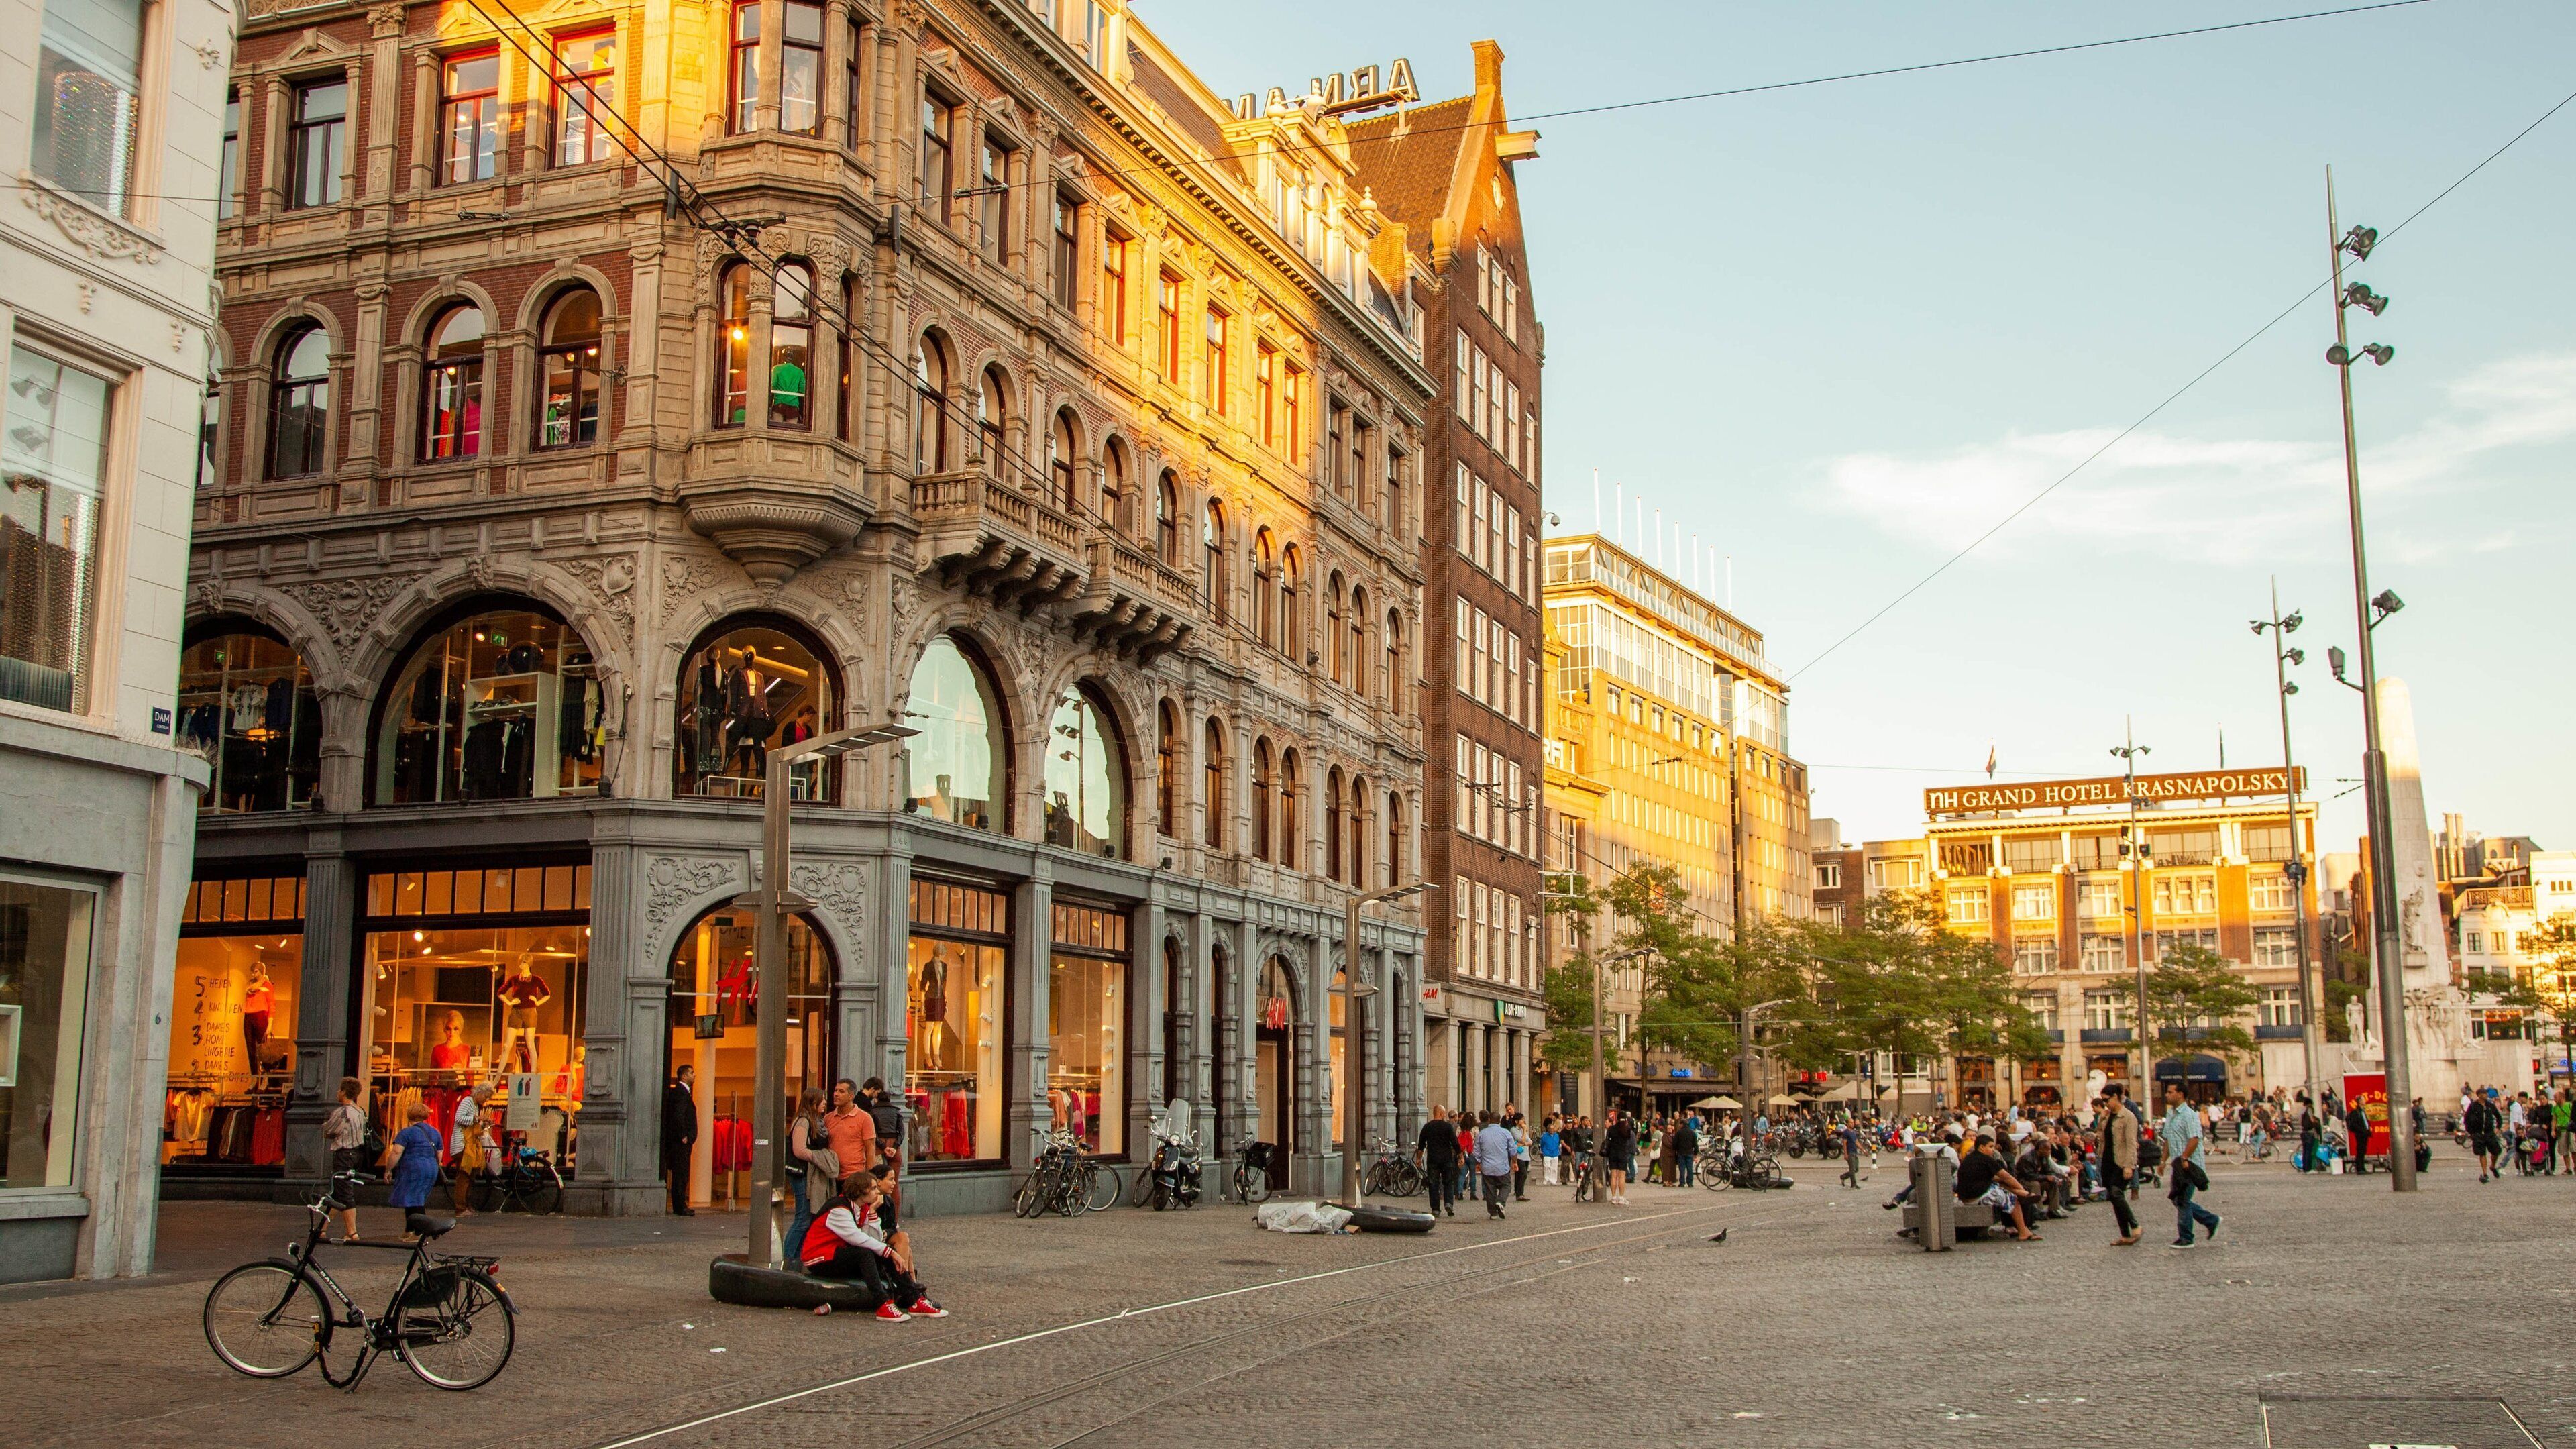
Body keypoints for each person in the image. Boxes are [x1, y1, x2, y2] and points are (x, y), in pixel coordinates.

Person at [800, 1171, 945, 1320]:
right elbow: (857, 1239)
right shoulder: (839, 1209)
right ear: (861, 1191)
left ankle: (914, 1299)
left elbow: (875, 1239)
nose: (877, 1192)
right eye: (874, 1188)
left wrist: (873, 1213)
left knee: (879, 1252)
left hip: (837, 1252)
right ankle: (883, 1304)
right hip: (819, 1258)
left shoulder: (861, 1208)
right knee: (865, 1253)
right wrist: (890, 1252)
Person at [2162, 1083, 2220, 1248]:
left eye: (2170, 1092)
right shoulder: (2171, 1113)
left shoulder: (2189, 1115)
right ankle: (2211, 1220)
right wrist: (2162, 1160)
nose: (2167, 1095)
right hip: (2178, 1164)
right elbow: (2168, 1139)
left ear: (2180, 1094)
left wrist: (2185, 1158)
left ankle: (2187, 1238)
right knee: (2179, 1199)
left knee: (2182, 1199)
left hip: (2189, 1164)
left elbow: (2194, 1138)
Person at [1955, 1134, 2039, 1242]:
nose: (1993, 1150)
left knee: (2001, 1186)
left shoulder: (1969, 1159)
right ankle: (2023, 1231)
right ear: (1982, 1147)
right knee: (2013, 1199)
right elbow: (2007, 1177)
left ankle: (2023, 1195)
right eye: (1991, 1147)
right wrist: (2020, 1188)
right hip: (1976, 1197)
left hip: (1967, 1196)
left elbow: (1991, 1178)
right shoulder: (1986, 1159)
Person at [384, 1099, 447, 1227]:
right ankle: (410, 1230)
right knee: (418, 1198)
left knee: (412, 1199)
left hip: (412, 1168)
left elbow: (396, 1152)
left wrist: (389, 1169)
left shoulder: (406, 1132)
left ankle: (417, 1230)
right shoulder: (435, 1132)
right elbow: (440, 1154)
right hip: (431, 1168)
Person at [323, 1077, 370, 1244]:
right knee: (338, 1192)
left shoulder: (342, 1112)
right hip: (356, 1155)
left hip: (344, 1154)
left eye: (339, 1090)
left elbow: (328, 1130)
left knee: (345, 1192)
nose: (337, 1092)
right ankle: (322, 1229)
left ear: (344, 1092)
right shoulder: (360, 1111)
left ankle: (352, 1232)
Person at [785, 1087, 828, 1263]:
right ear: (813, 1102)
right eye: (822, 1100)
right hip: (802, 1174)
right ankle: (789, 1257)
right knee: (802, 1218)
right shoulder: (804, 1121)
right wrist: (820, 1157)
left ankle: (798, 1256)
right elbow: (799, 1149)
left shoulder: (818, 1121)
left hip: (811, 1174)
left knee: (808, 1218)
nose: (826, 1103)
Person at [2097, 1087, 2140, 1245]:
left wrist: (2129, 1165)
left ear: (2116, 1097)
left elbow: (2131, 1143)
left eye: (2107, 1100)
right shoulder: (2108, 1116)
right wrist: (2101, 1119)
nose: (2105, 1103)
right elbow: (2101, 1136)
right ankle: (2125, 1234)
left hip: (2121, 1161)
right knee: (2114, 1198)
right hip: (2107, 1160)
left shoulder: (2128, 1117)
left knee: (2116, 1193)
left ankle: (2135, 1225)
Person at [451, 1082, 494, 1215]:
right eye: (486, 1097)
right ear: (479, 1093)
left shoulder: (475, 1105)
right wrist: (477, 1118)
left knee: (470, 1176)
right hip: (462, 1144)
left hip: (470, 1145)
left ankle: (465, 1204)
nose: (486, 1100)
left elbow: (473, 1125)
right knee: (464, 1176)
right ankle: (460, 1207)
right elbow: (459, 1118)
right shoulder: (467, 1101)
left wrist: (482, 1123)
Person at [664, 1064, 700, 1216]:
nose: (694, 1075)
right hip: (680, 1142)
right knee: (681, 1172)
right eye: (692, 1073)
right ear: (684, 1076)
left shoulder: (683, 1093)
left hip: (682, 1140)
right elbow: (679, 1115)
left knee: (681, 1172)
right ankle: (680, 1205)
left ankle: (680, 1204)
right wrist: (684, 1135)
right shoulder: (681, 1093)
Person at [1417, 1107, 1459, 1218]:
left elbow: (1421, 1144)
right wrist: (1460, 1155)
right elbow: (1455, 1142)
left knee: (1433, 1184)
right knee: (1449, 1182)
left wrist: (1419, 1159)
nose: (1445, 1115)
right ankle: (1449, 1203)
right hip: (1446, 1159)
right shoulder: (1447, 1127)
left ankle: (1435, 1208)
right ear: (1441, 1114)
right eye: (1444, 1113)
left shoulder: (1428, 1127)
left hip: (1433, 1159)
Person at [1474, 1111, 1515, 1220]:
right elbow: (1513, 1150)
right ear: (1500, 1121)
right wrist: (1514, 1162)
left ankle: (1493, 1213)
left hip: (1487, 1167)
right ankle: (1501, 1202)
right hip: (1502, 1166)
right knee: (1506, 1185)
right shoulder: (1506, 1133)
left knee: (1490, 1189)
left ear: (1489, 1120)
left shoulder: (1482, 1133)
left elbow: (1477, 1151)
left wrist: (1478, 1163)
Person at [1602, 1109, 1636, 1205]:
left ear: (1616, 1119)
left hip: (1613, 1153)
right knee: (1622, 1176)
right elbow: (1628, 1140)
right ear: (1626, 1119)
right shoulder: (1627, 1129)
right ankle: (1621, 1198)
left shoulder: (1612, 1129)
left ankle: (1614, 1197)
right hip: (1623, 1154)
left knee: (1613, 1176)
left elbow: (1608, 1139)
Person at [1672, 1114, 1699, 1190]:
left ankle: (1682, 1182)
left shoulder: (1679, 1133)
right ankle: (1690, 1183)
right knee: (1690, 1168)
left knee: (1682, 1168)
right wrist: (1695, 1153)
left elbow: (1675, 1143)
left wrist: (1676, 1150)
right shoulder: (1692, 1133)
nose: (1680, 1125)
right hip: (1690, 1152)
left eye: (1680, 1124)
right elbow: (1695, 1144)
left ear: (1682, 1124)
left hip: (1681, 1152)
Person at [1539, 1116, 1564, 1186]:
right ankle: (1546, 1179)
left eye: (1553, 1129)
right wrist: (1543, 1151)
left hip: (1555, 1153)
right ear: (1548, 1129)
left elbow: (1558, 1143)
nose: (1552, 1130)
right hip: (1547, 1153)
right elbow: (1542, 1144)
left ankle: (1553, 1180)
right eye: (1550, 1129)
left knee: (1554, 1168)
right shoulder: (1545, 1136)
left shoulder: (1557, 1136)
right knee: (1547, 1166)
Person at [1839, 1119, 1863, 1189]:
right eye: (1851, 1123)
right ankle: (1854, 1184)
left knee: (1856, 1169)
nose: (1852, 1124)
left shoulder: (1854, 1132)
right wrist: (1845, 1154)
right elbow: (1844, 1143)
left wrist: (1863, 1150)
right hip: (1850, 1153)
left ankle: (1843, 1177)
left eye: (1853, 1123)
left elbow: (1856, 1142)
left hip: (1855, 1152)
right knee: (1852, 1169)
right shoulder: (1846, 1133)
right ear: (1847, 1124)